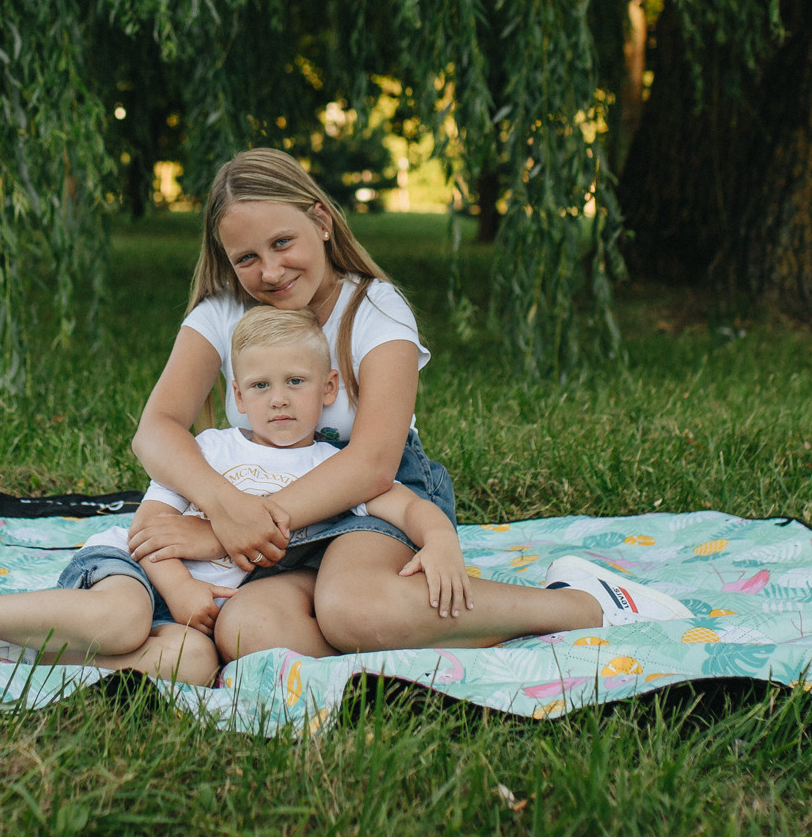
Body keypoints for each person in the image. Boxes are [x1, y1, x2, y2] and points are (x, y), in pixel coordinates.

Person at [126, 148, 686, 662]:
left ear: (321, 222)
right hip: (276, 524)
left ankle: (581, 603)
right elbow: (156, 429)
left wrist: (236, 527)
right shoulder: (223, 313)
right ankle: (398, 633)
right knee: (248, 631)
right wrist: (224, 504)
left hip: (376, 501)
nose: (269, 271)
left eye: (282, 243)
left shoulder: (374, 308)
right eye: (246, 257)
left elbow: (372, 463)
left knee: (353, 607)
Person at [0, 309, 467, 684]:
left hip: (194, 620)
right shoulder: (212, 449)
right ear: (237, 396)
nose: (279, 399)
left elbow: (403, 504)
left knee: (196, 667)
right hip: (137, 572)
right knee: (122, 621)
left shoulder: (330, 468)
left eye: (296, 382)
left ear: (329, 387)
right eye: (260, 386)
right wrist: (180, 588)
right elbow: (147, 529)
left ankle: (15, 659)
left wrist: (439, 540)